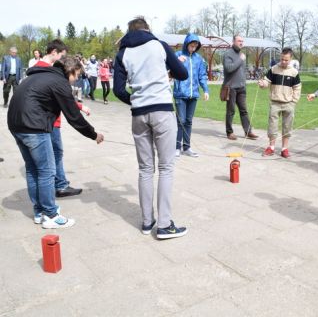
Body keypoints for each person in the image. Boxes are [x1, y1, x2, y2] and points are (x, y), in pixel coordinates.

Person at [114, 16, 189, 239]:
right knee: (166, 168)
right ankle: (164, 224)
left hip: (138, 114)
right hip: (162, 111)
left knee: (145, 169)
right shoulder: (159, 45)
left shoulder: (122, 53)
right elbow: (183, 74)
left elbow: (118, 90)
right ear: (148, 29)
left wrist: (137, 100)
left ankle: (147, 221)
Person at [7, 56, 104, 228]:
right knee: (47, 171)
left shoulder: (39, 75)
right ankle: (51, 215)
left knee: (32, 169)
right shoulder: (60, 82)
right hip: (33, 126)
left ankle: (39, 212)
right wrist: (93, 134)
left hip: (16, 124)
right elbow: (73, 116)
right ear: (70, 71)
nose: (76, 79)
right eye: (77, 75)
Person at [35, 39, 88, 198]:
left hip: (48, 119)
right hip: (49, 121)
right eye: (62, 56)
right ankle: (59, 186)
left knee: (53, 154)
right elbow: (61, 96)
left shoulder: (45, 69)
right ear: (54, 53)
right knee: (55, 154)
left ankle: (57, 184)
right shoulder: (46, 70)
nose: (63, 61)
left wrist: (80, 106)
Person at [258, 47, 301, 158]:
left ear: (290, 59)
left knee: (287, 127)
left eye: (286, 60)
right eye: (282, 59)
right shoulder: (273, 69)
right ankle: (271, 148)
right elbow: (267, 82)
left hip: (288, 104)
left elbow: (297, 87)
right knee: (272, 126)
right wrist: (263, 84)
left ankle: (284, 149)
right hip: (275, 103)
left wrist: (294, 101)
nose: (283, 61)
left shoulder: (294, 72)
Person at [173, 33, 209, 158]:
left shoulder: (198, 59)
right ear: (187, 44)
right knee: (181, 121)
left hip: (193, 95)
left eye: (195, 46)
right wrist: (177, 62)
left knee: (188, 121)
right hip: (180, 94)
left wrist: (206, 90)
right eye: (191, 45)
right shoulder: (178, 55)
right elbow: (167, 68)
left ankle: (187, 147)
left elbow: (202, 76)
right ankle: (176, 147)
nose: (193, 48)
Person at [222, 35, 258, 141]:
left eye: (242, 41)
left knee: (244, 110)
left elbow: (241, 71)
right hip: (231, 87)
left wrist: (244, 83)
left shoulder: (241, 54)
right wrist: (240, 60)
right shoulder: (228, 54)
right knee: (231, 111)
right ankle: (230, 132)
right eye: (239, 41)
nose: (241, 43)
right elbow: (229, 69)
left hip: (241, 88)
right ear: (233, 41)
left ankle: (248, 131)